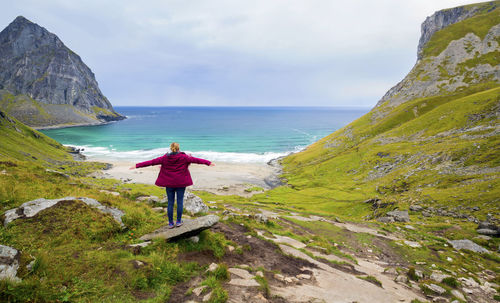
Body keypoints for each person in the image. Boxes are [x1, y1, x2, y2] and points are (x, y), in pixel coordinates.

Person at [130, 142, 214, 228]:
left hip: (169, 184)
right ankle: (178, 221)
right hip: (181, 183)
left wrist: (137, 165)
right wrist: (208, 163)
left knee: (170, 203)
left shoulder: (165, 158)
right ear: (178, 148)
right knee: (180, 202)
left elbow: (151, 162)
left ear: (171, 148)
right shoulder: (184, 157)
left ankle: (170, 223)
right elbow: (197, 160)